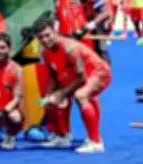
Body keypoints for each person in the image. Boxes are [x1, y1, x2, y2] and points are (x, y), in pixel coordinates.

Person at [35, 19, 110, 154]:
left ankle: (96, 142)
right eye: (41, 37)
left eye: (48, 35)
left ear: (55, 32)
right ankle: (63, 136)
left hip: (99, 72)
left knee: (81, 95)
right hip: (78, 75)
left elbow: (81, 78)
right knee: (49, 99)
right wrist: (48, 96)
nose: (45, 40)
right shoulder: (46, 52)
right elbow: (53, 75)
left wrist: (62, 94)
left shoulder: (69, 49)